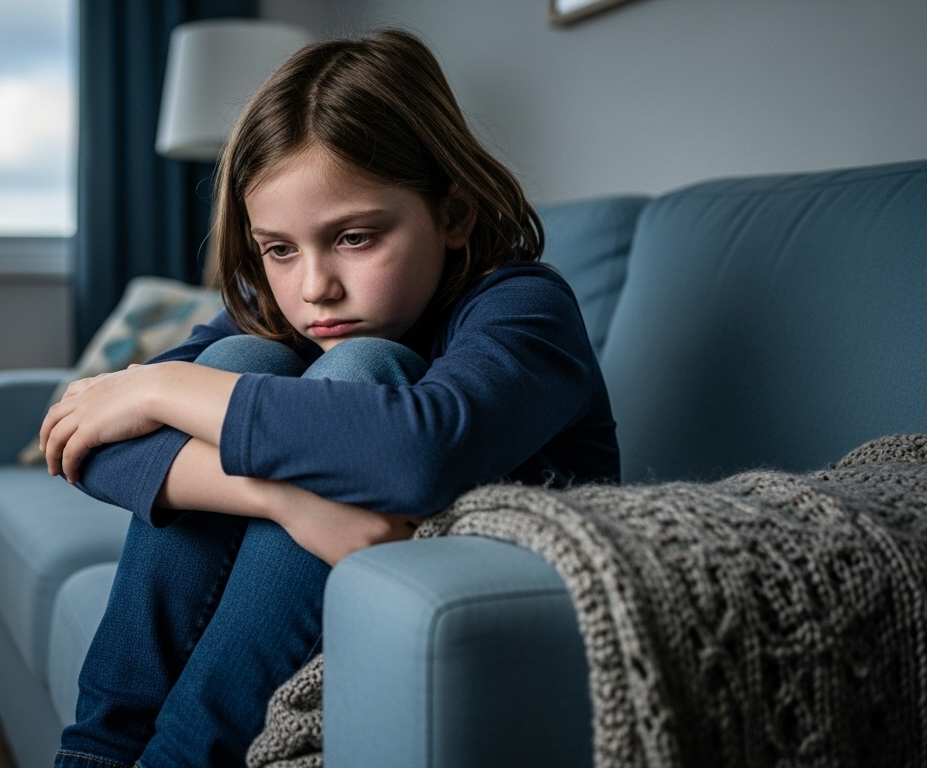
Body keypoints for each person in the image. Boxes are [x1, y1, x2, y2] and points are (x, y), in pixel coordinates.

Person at [40, 28, 619, 768]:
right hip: (328, 569)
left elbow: (413, 454)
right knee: (239, 357)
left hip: (500, 579)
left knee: (355, 369)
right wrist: (284, 500)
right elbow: (83, 439)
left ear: (454, 214)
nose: (314, 288)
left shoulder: (525, 310)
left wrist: (159, 383)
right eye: (278, 249)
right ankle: (98, 751)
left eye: (353, 238)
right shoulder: (275, 315)